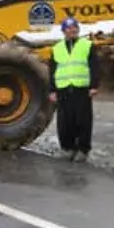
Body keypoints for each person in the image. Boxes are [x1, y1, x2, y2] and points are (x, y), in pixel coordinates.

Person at [48, 16, 99, 162]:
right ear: (64, 31)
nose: (72, 30)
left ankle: (83, 149)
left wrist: (94, 85)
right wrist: (52, 90)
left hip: (81, 88)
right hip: (63, 89)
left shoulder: (87, 45)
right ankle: (67, 148)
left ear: (78, 29)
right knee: (65, 121)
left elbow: (94, 66)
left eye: (74, 27)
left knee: (83, 121)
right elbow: (52, 70)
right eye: (69, 28)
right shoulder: (56, 48)